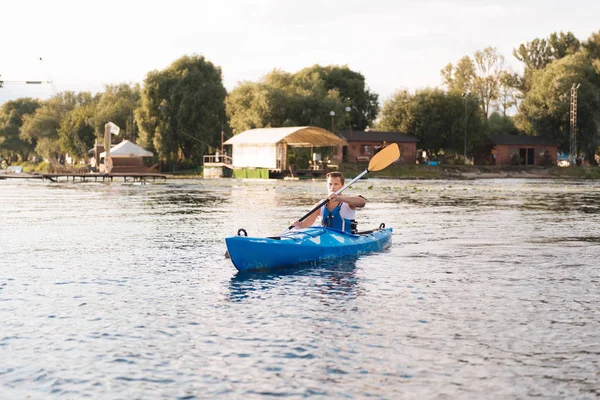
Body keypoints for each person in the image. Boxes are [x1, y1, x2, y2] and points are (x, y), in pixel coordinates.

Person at [291, 171, 366, 233]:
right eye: (330, 184)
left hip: (348, 239)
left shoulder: (348, 202)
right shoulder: (320, 206)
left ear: (342, 186)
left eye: (336, 184)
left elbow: (362, 202)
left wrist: (339, 198)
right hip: (327, 240)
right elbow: (306, 223)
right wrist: (298, 225)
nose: (332, 187)